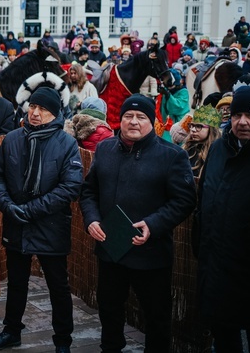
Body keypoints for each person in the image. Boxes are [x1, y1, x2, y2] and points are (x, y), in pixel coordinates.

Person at [79, 95, 196, 353]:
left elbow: (185, 200)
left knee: (156, 316)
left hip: (150, 253)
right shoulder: (105, 149)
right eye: (128, 116)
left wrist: (153, 224)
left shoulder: (172, 155)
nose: (133, 122)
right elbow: (88, 192)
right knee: (109, 309)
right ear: (119, 120)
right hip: (110, 248)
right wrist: (92, 219)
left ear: (151, 121)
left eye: (141, 117)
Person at [0, 86, 83, 353]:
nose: (36, 113)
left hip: (50, 226)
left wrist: (31, 210)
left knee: (58, 287)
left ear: (55, 114)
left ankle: (63, 340)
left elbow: (70, 187)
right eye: (33, 107)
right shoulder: (13, 138)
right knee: (17, 282)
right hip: (16, 222)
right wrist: (7, 205)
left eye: (44, 110)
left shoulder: (66, 144)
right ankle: (11, 331)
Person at [195, 86, 250, 352]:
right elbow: (203, 198)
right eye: (237, 114)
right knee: (225, 336)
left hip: (249, 268)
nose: (243, 122)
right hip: (218, 265)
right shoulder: (219, 150)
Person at [181, 105, 221, 177]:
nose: (193, 130)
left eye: (199, 126)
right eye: (192, 125)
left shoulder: (217, 153)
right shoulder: (187, 148)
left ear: (211, 130)